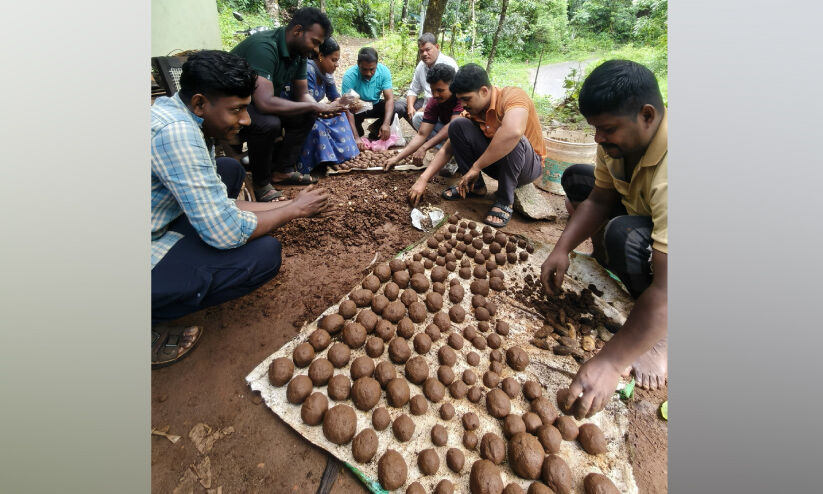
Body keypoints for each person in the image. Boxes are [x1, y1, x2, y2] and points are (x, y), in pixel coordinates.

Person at [151, 50, 330, 368]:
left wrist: (288, 202)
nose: (246, 120)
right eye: (237, 110)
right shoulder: (177, 134)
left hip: (159, 219)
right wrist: (295, 211)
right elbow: (226, 231)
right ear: (199, 103)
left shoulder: (179, 113)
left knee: (228, 170)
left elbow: (219, 203)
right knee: (263, 255)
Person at [540, 60, 668, 418]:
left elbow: (670, 288)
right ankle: (609, 258)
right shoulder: (615, 140)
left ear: (647, 115)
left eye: (607, 128)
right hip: (644, 209)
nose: (598, 138)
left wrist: (611, 363)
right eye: (595, 128)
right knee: (577, 179)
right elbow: (598, 198)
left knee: (623, 236)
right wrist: (561, 249)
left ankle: (663, 337)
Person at [231, 7, 341, 201]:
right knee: (268, 123)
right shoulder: (265, 48)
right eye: (315, 42)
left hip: (255, 103)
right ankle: (261, 183)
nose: (316, 50)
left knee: (307, 113)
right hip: (233, 105)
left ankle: (283, 170)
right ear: (298, 30)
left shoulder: (298, 54)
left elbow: (302, 94)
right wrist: (316, 106)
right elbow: (264, 103)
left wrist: (318, 107)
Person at [435, 63, 547, 227]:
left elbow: (513, 132)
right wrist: (423, 179)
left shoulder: (513, 96)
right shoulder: (472, 111)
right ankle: (475, 186)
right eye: (460, 100)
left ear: (484, 91)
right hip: (498, 165)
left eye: (466, 99)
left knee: (511, 136)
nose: (463, 104)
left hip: (527, 167)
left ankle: (504, 200)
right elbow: (447, 148)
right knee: (457, 125)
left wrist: (476, 166)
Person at [285, 37, 361, 174]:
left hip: (317, 110)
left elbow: (335, 97)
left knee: (342, 114)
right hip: (301, 112)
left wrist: (348, 103)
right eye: (333, 60)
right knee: (317, 126)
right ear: (320, 56)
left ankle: (339, 157)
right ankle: (316, 162)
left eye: (337, 60)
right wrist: (329, 107)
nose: (336, 64)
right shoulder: (308, 70)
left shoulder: (327, 75)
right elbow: (303, 102)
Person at [384, 63, 462, 171]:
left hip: (465, 132)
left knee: (457, 130)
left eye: (440, 90)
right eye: (432, 90)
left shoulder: (462, 97)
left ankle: (457, 155)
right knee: (418, 119)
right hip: (448, 127)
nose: (435, 95)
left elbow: (452, 126)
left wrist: (425, 147)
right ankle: (449, 153)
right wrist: (397, 158)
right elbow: (422, 134)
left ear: (452, 86)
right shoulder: (434, 101)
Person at [341, 47, 403, 141]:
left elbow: (389, 99)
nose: (369, 73)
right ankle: (358, 133)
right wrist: (356, 137)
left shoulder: (384, 72)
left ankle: (376, 129)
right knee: (346, 115)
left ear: (377, 64)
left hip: (375, 105)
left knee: (398, 108)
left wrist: (386, 124)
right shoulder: (350, 76)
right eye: (364, 69)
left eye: (372, 69)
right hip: (358, 107)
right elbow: (347, 106)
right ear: (358, 64)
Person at [405, 33, 458, 129]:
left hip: (444, 107)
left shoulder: (449, 64)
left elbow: (453, 94)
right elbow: (413, 90)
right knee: (400, 106)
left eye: (428, 50)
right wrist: (410, 107)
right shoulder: (421, 66)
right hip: (427, 104)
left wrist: (426, 109)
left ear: (437, 47)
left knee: (420, 117)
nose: (424, 54)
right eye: (421, 51)